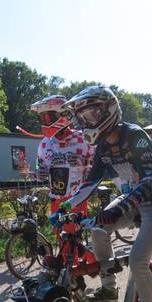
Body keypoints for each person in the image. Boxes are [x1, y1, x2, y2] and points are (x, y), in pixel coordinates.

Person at [57, 86, 152, 302]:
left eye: (91, 113)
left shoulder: (136, 136)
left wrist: (122, 207)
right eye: (82, 117)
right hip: (133, 200)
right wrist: (66, 206)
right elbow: (90, 182)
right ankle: (109, 287)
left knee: (137, 261)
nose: (86, 121)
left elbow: (150, 179)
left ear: (108, 110)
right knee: (98, 230)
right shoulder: (102, 146)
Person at [32, 95, 93, 224]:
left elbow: (99, 165)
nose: (45, 122)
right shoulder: (44, 143)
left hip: (76, 200)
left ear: (63, 115)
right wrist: (38, 172)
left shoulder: (83, 139)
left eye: (48, 117)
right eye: (42, 118)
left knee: (74, 239)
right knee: (61, 240)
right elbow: (39, 165)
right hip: (55, 200)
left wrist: (84, 162)